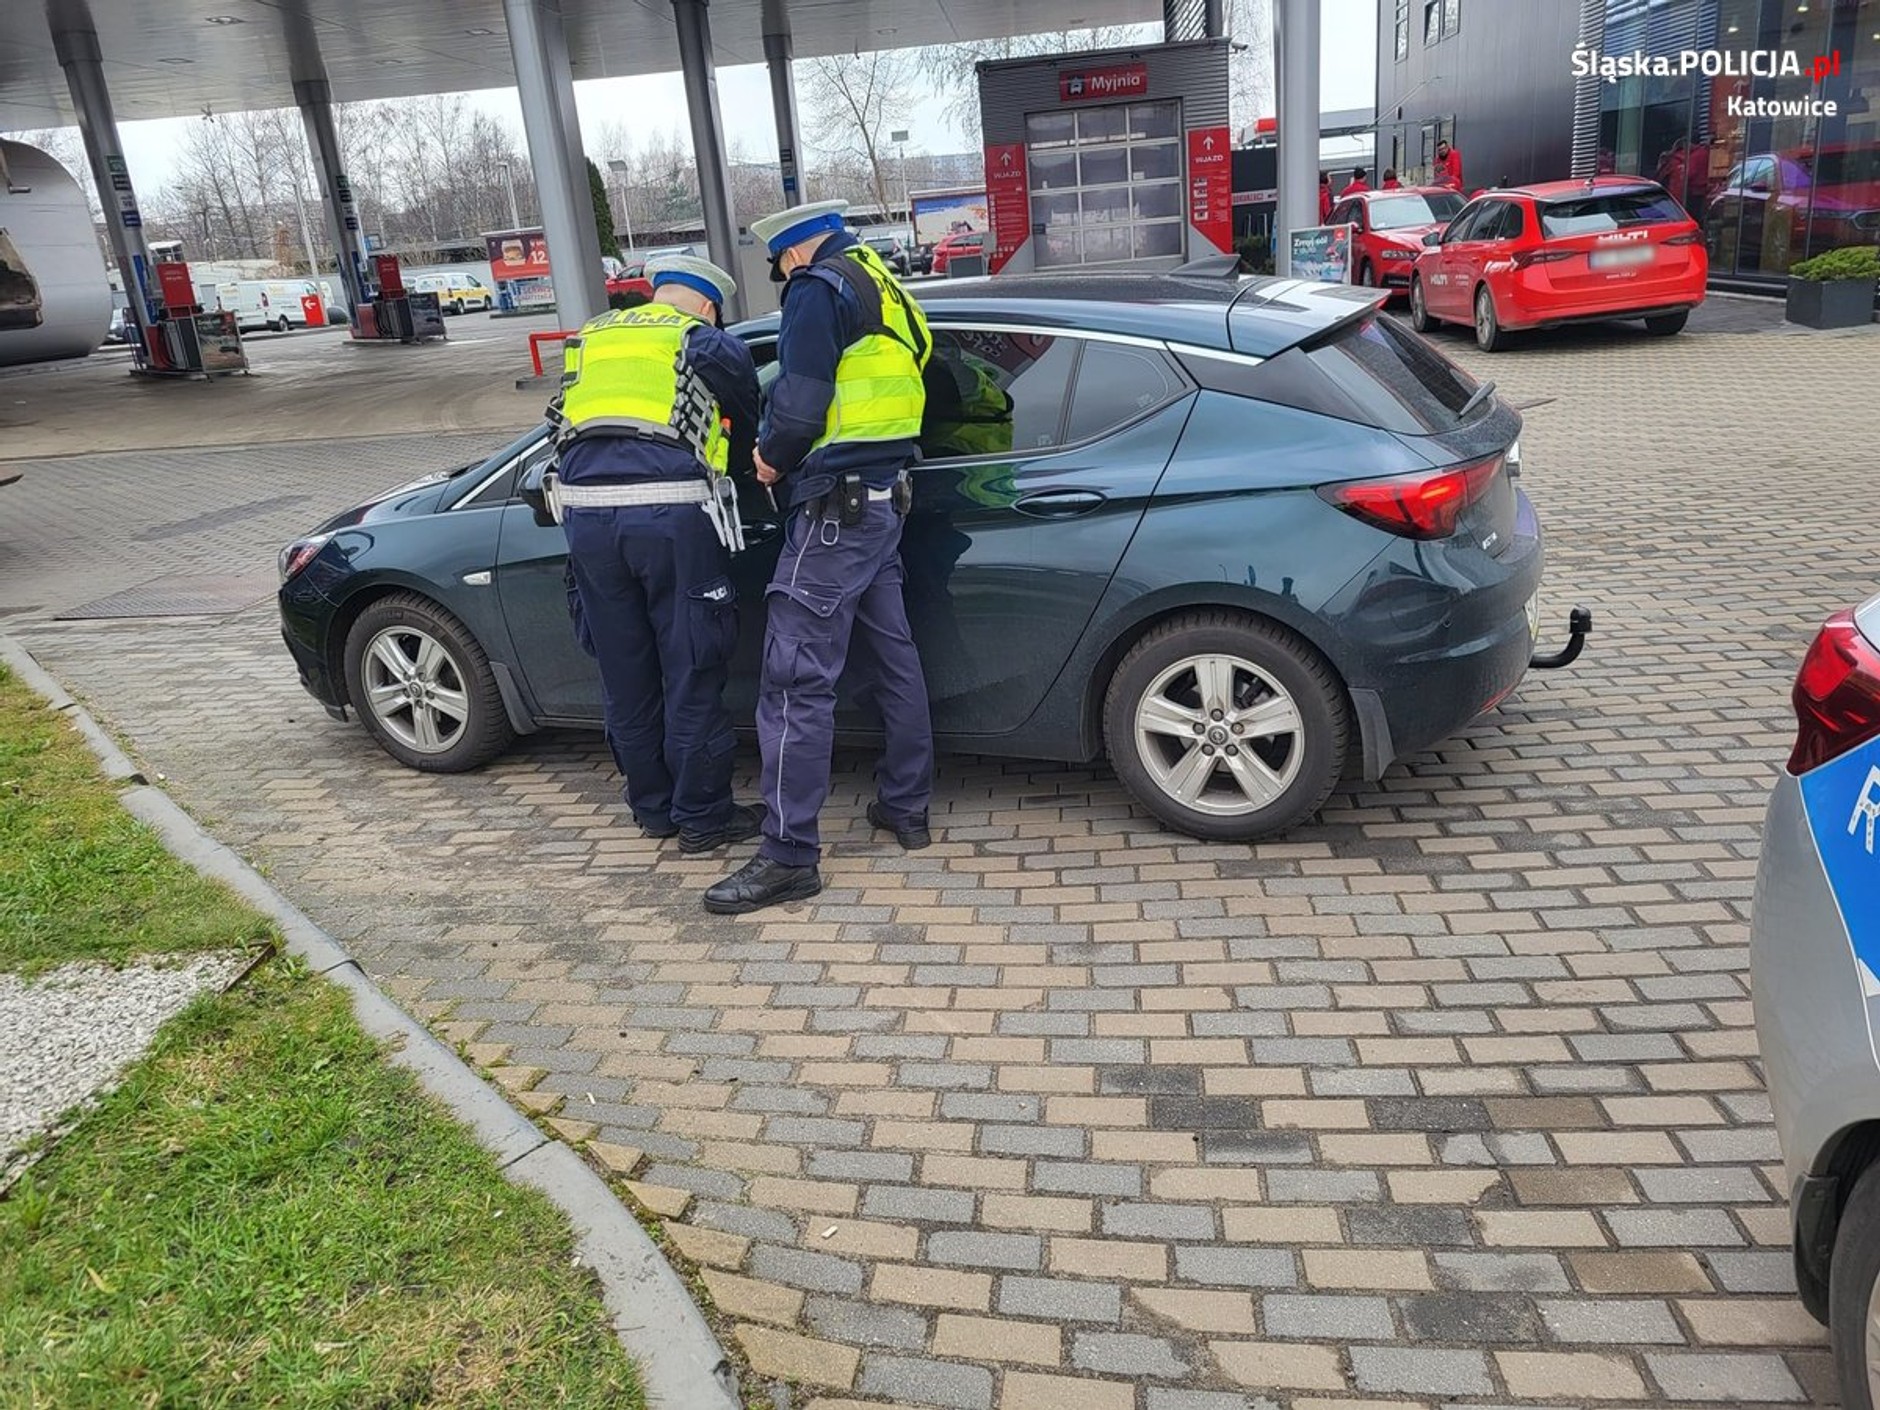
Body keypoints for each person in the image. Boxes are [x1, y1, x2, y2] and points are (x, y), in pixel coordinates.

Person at [703, 200, 936, 916]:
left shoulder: (818, 287)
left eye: (778, 266)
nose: (781, 276)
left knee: (792, 680)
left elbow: (800, 407)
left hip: (837, 509)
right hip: (884, 500)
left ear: (793, 253)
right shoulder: (884, 283)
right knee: (894, 657)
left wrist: (770, 462)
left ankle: (787, 856)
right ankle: (905, 806)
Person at [545, 255, 764, 854]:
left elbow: (562, 423)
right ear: (709, 305)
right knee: (691, 668)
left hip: (585, 522)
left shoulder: (588, 337)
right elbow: (749, 428)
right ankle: (703, 818)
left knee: (625, 675)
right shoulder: (700, 341)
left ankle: (653, 811)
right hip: (671, 520)